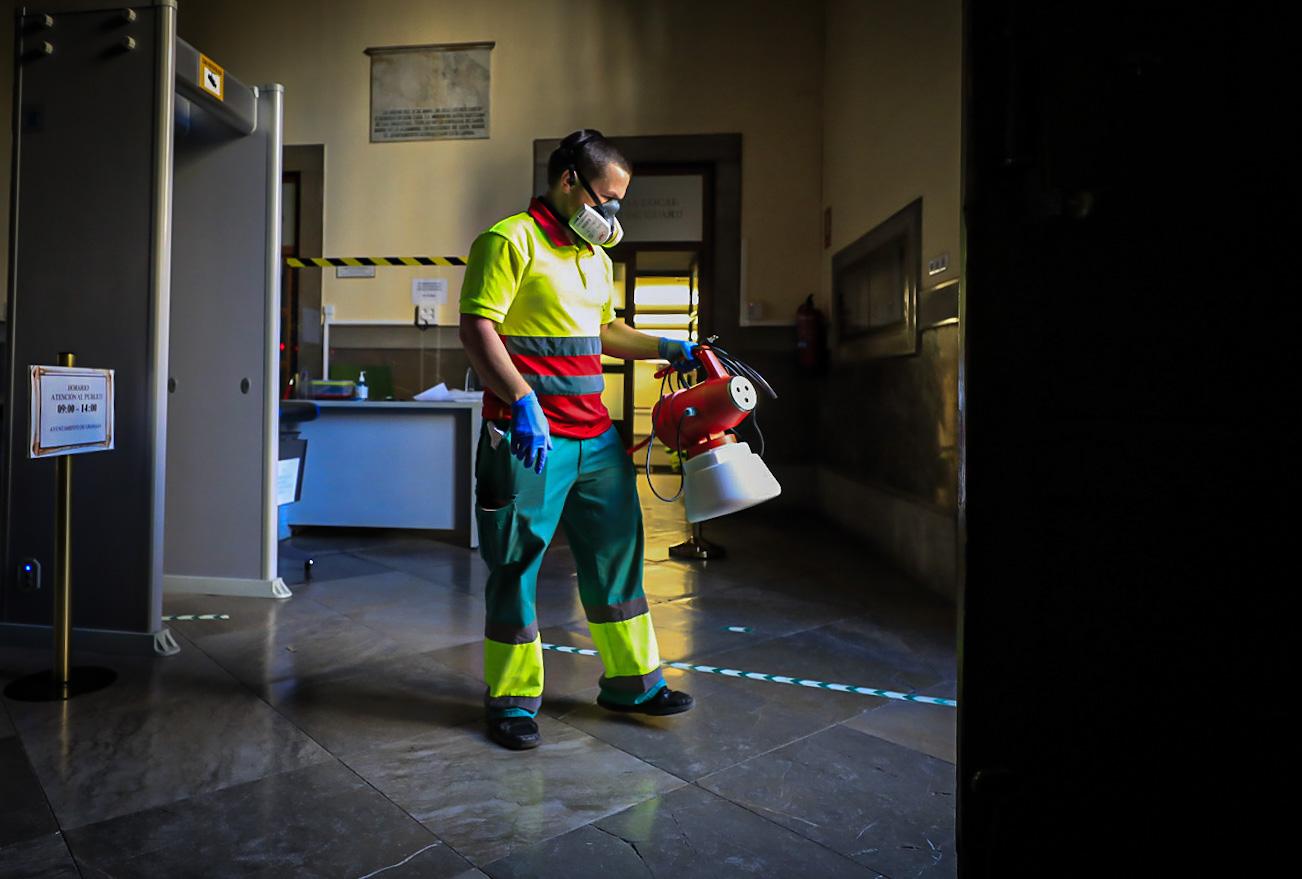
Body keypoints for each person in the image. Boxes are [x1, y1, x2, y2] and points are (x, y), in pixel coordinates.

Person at [459, 129, 699, 751]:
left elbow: (606, 331)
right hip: (527, 436)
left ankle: (633, 682)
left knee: (617, 550)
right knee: (516, 561)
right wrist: (522, 402)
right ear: (570, 182)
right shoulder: (509, 241)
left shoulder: (597, 258)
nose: (614, 212)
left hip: (593, 433)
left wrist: (667, 344)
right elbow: (477, 328)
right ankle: (511, 700)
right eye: (609, 198)